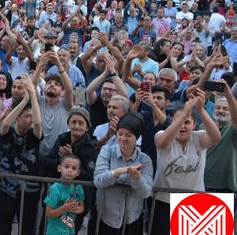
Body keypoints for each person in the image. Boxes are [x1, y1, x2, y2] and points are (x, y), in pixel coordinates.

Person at [151, 89, 221, 235]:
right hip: (163, 201)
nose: (182, 126)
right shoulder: (161, 135)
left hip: (194, 203)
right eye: (179, 121)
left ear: (194, 125)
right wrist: (185, 112)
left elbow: (215, 138)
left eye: (187, 122)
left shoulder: (199, 137)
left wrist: (201, 110)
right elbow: (163, 143)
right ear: (172, 121)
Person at [93, 112, 153, 235]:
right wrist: (120, 171)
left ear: (137, 137)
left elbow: (147, 192)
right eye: (120, 134)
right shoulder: (107, 151)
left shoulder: (144, 159)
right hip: (105, 215)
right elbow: (98, 180)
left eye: (128, 135)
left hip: (132, 218)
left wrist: (137, 178)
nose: (123, 138)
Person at [0, 76, 42, 235]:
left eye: (31, 116)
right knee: (3, 225)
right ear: (18, 117)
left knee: (28, 228)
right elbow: (4, 124)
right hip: (6, 188)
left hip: (30, 191)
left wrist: (32, 94)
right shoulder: (7, 133)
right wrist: (23, 102)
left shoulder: (34, 136)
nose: (30, 120)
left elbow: (38, 124)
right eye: (26, 116)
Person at [44, 154, 85, 235]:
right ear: (59, 168)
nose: (70, 170)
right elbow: (48, 213)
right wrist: (64, 208)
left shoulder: (78, 186)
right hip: (54, 232)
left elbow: (81, 207)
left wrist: (74, 208)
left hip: (70, 230)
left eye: (74, 168)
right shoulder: (55, 188)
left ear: (78, 172)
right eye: (66, 167)